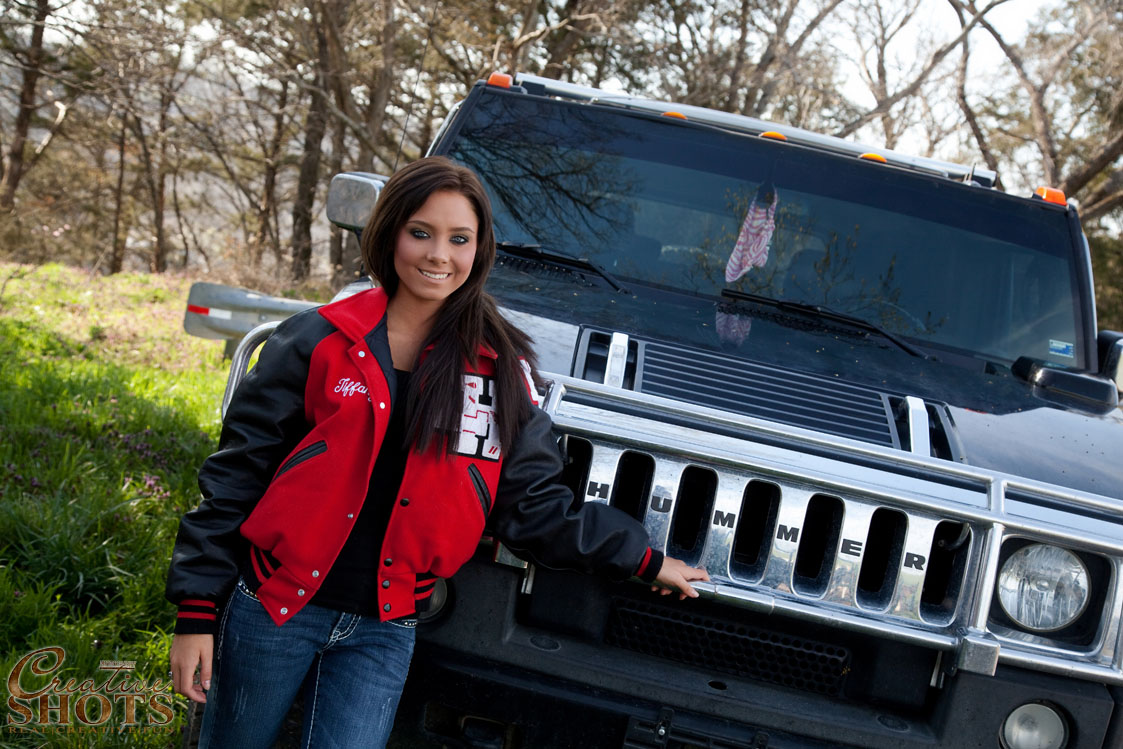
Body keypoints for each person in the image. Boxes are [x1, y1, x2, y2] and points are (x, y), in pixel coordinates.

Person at [166, 155, 709, 747]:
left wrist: (642, 559)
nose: (438, 255)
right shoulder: (318, 339)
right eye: (421, 232)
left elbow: (533, 505)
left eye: (459, 239)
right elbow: (235, 478)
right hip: (274, 607)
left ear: (480, 250)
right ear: (390, 233)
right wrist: (196, 611)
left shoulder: (498, 371)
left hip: (385, 629)